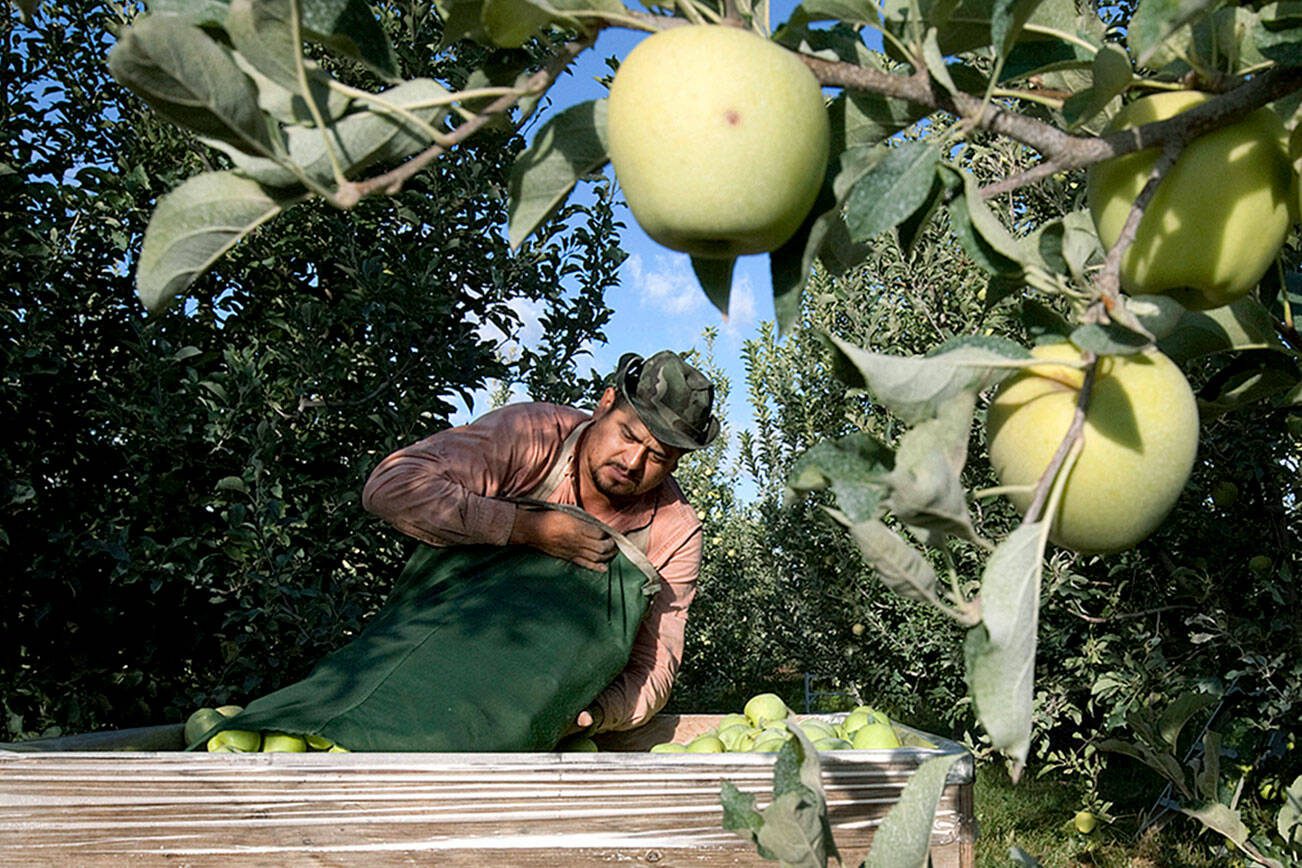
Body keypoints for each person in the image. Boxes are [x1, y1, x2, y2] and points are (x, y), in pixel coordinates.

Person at [362, 350, 720, 736]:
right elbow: (390, 487)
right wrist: (526, 527)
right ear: (605, 404)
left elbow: (655, 662)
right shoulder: (533, 435)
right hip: (420, 669)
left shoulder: (675, 533)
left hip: (532, 718)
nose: (633, 461)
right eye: (628, 435)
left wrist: (595, 713)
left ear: (677, 461)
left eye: (657, 456)